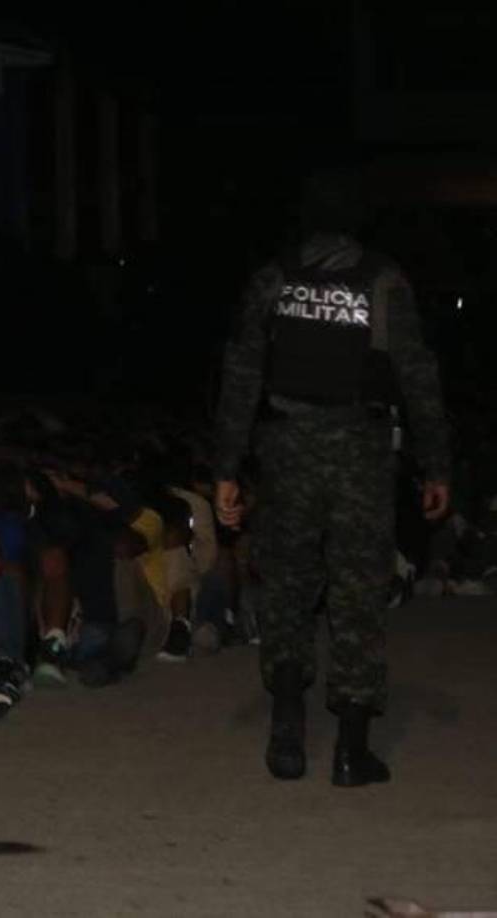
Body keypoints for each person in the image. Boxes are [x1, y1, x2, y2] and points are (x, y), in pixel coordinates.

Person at [213, 168, 451, 787]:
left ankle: (287, 729)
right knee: (356, 591)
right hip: (359, 451)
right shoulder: (383, 280)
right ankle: (351, 748)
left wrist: (226, 468)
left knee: (287, 586)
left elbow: (241, 375)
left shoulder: (273, 278)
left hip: (285, 446)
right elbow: (418, 376)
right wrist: (436, 465)